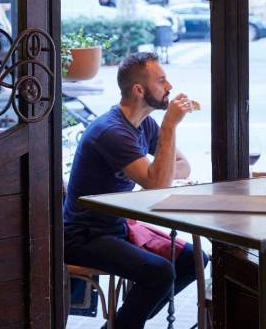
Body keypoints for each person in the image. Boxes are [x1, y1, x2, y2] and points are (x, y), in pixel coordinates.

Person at [63, 52, 208, 328]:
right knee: (160, 273)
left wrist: (159, 170)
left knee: (195, 259)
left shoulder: (144, 124)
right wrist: (170, 125)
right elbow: (156, 185)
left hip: (117, 227)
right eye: (162, 80)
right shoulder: (112, 131)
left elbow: (184, 166)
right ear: (139, 90)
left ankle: (123, 321)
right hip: (83, 235)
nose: (170, 87)